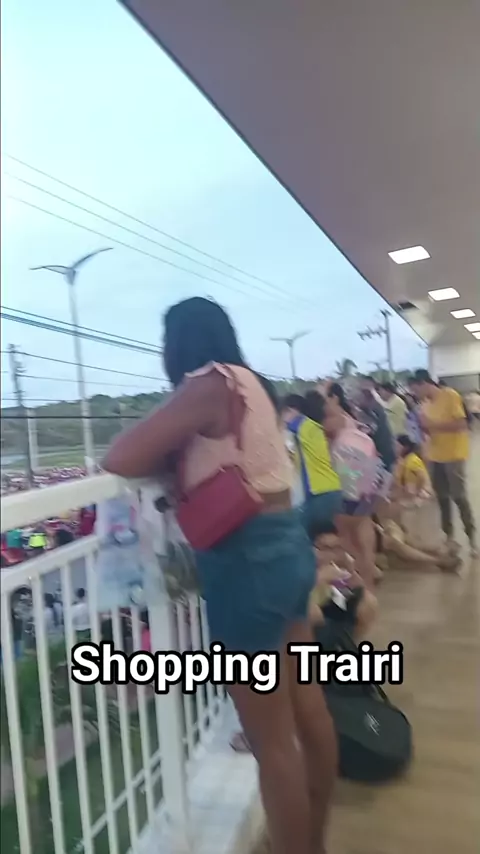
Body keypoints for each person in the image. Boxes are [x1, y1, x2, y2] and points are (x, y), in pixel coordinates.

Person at [102, 296, 337, 854]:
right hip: (287, 548)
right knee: (308, 709)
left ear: (179, 342)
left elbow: (120, 457)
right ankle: (316, 840)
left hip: (246, 565)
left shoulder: (207, 384)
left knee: (271, 743)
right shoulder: (251, 383)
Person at [409, 369, 477, 556]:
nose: (415, 394)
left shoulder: (450, 395)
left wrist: (432, 425)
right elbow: (429, 431)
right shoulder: (425, 405)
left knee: (459, 497)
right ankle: (449, 537)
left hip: (454, 455)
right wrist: (424, 428)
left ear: (424, 383)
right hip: (436, 456)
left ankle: (472, 539)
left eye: (416, 389)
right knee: (442, 499)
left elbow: (461, 424)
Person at [323, 384, 380, 590]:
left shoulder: (331, 420)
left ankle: (358, 583)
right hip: (368, 482)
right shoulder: (351, 420)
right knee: (364, 535)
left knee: (347, 538)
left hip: (349, 484)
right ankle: (369, 581)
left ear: (334, 398)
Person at [282, 393, 343, 539]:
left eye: (283, 412)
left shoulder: (298, 425)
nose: (281, 418)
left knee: (296, 539)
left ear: (293, 410)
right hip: (335, 492)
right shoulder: (314, 428)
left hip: (317, 496)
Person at [357, 385, 396, 472]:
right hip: (386, 447)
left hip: (382, 450)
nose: (357, 403)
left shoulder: (372, 410)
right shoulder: (375, 407)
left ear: (366, 398)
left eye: (359, 399)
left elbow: (372, 430)